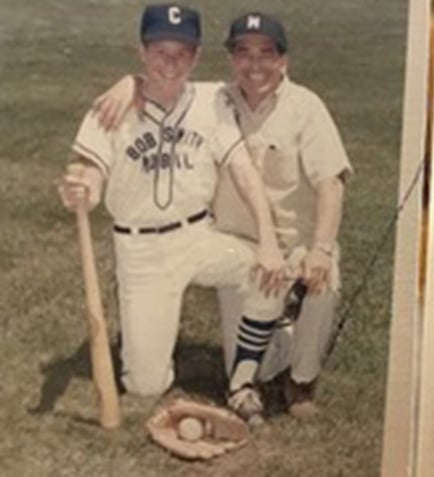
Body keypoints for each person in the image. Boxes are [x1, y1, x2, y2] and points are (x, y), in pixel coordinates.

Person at [94, 11, 352, 420]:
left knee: (323, 285)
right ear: (231, 59)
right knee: (255, 364)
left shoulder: (306, 107)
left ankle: (301, 380)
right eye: (243, 54)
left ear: (283, 60)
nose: (254, 65)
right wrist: (131, 84)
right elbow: (166, 74)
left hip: (297, 243)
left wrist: (320, 249)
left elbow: (331, 185)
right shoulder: (216, 100)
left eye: (266, 54)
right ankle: (275, 337)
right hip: (240, 244)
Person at [56, 4, 287, 422]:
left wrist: (269, 242)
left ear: (196, 56)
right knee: (146, 386)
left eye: (182, 53)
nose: (171, 63)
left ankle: (246, 374)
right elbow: (86, 170)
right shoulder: (111, 107)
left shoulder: (210, 101)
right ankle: (145, 338)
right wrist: (82, 188)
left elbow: (243, 173)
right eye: (160, 52)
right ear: (142, 51)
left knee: (266, 270)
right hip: (141, 252)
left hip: (197, 238)